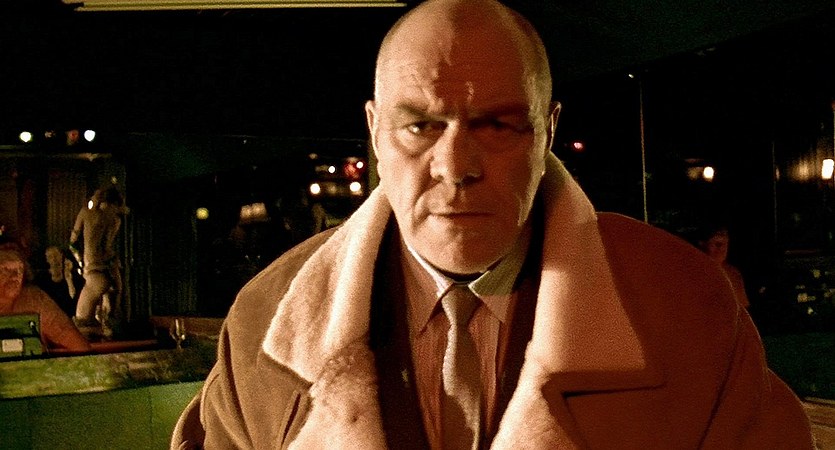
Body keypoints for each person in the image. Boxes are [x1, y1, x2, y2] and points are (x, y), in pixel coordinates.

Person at [173, 1, 813, 448]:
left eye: (498, 125)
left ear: (548, 131)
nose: (456, 167)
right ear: (375, 131)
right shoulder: (262, 324)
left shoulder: (689, 310)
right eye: (420, 126)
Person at [0, 248, 91, 353]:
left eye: (19, 270)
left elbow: (78, 346)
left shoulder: (34, 301)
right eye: (5, 270)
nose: (15, 277)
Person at [69, 186, 125, 338]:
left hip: (93, 272)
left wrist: (80, 261)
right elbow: (107, 246)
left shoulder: (85, 213)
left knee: (82, 323)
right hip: (110, 270)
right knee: (108, 322)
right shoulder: (115, 220)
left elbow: (72, 243)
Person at [698, 225, 751, 310]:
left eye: (726, 244)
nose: (722, 249)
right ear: (703, 244)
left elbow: (742, 309)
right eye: (717, 244)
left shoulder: (733, 273)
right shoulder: (693, 271)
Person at [35, 246, 82, 318]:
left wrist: (68, 278)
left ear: (61, 256)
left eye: (56, 255)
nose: (54, 259)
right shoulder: (42, 279)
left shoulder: (73, 276)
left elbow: (75, 298)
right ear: (47, 259)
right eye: (50, 257)